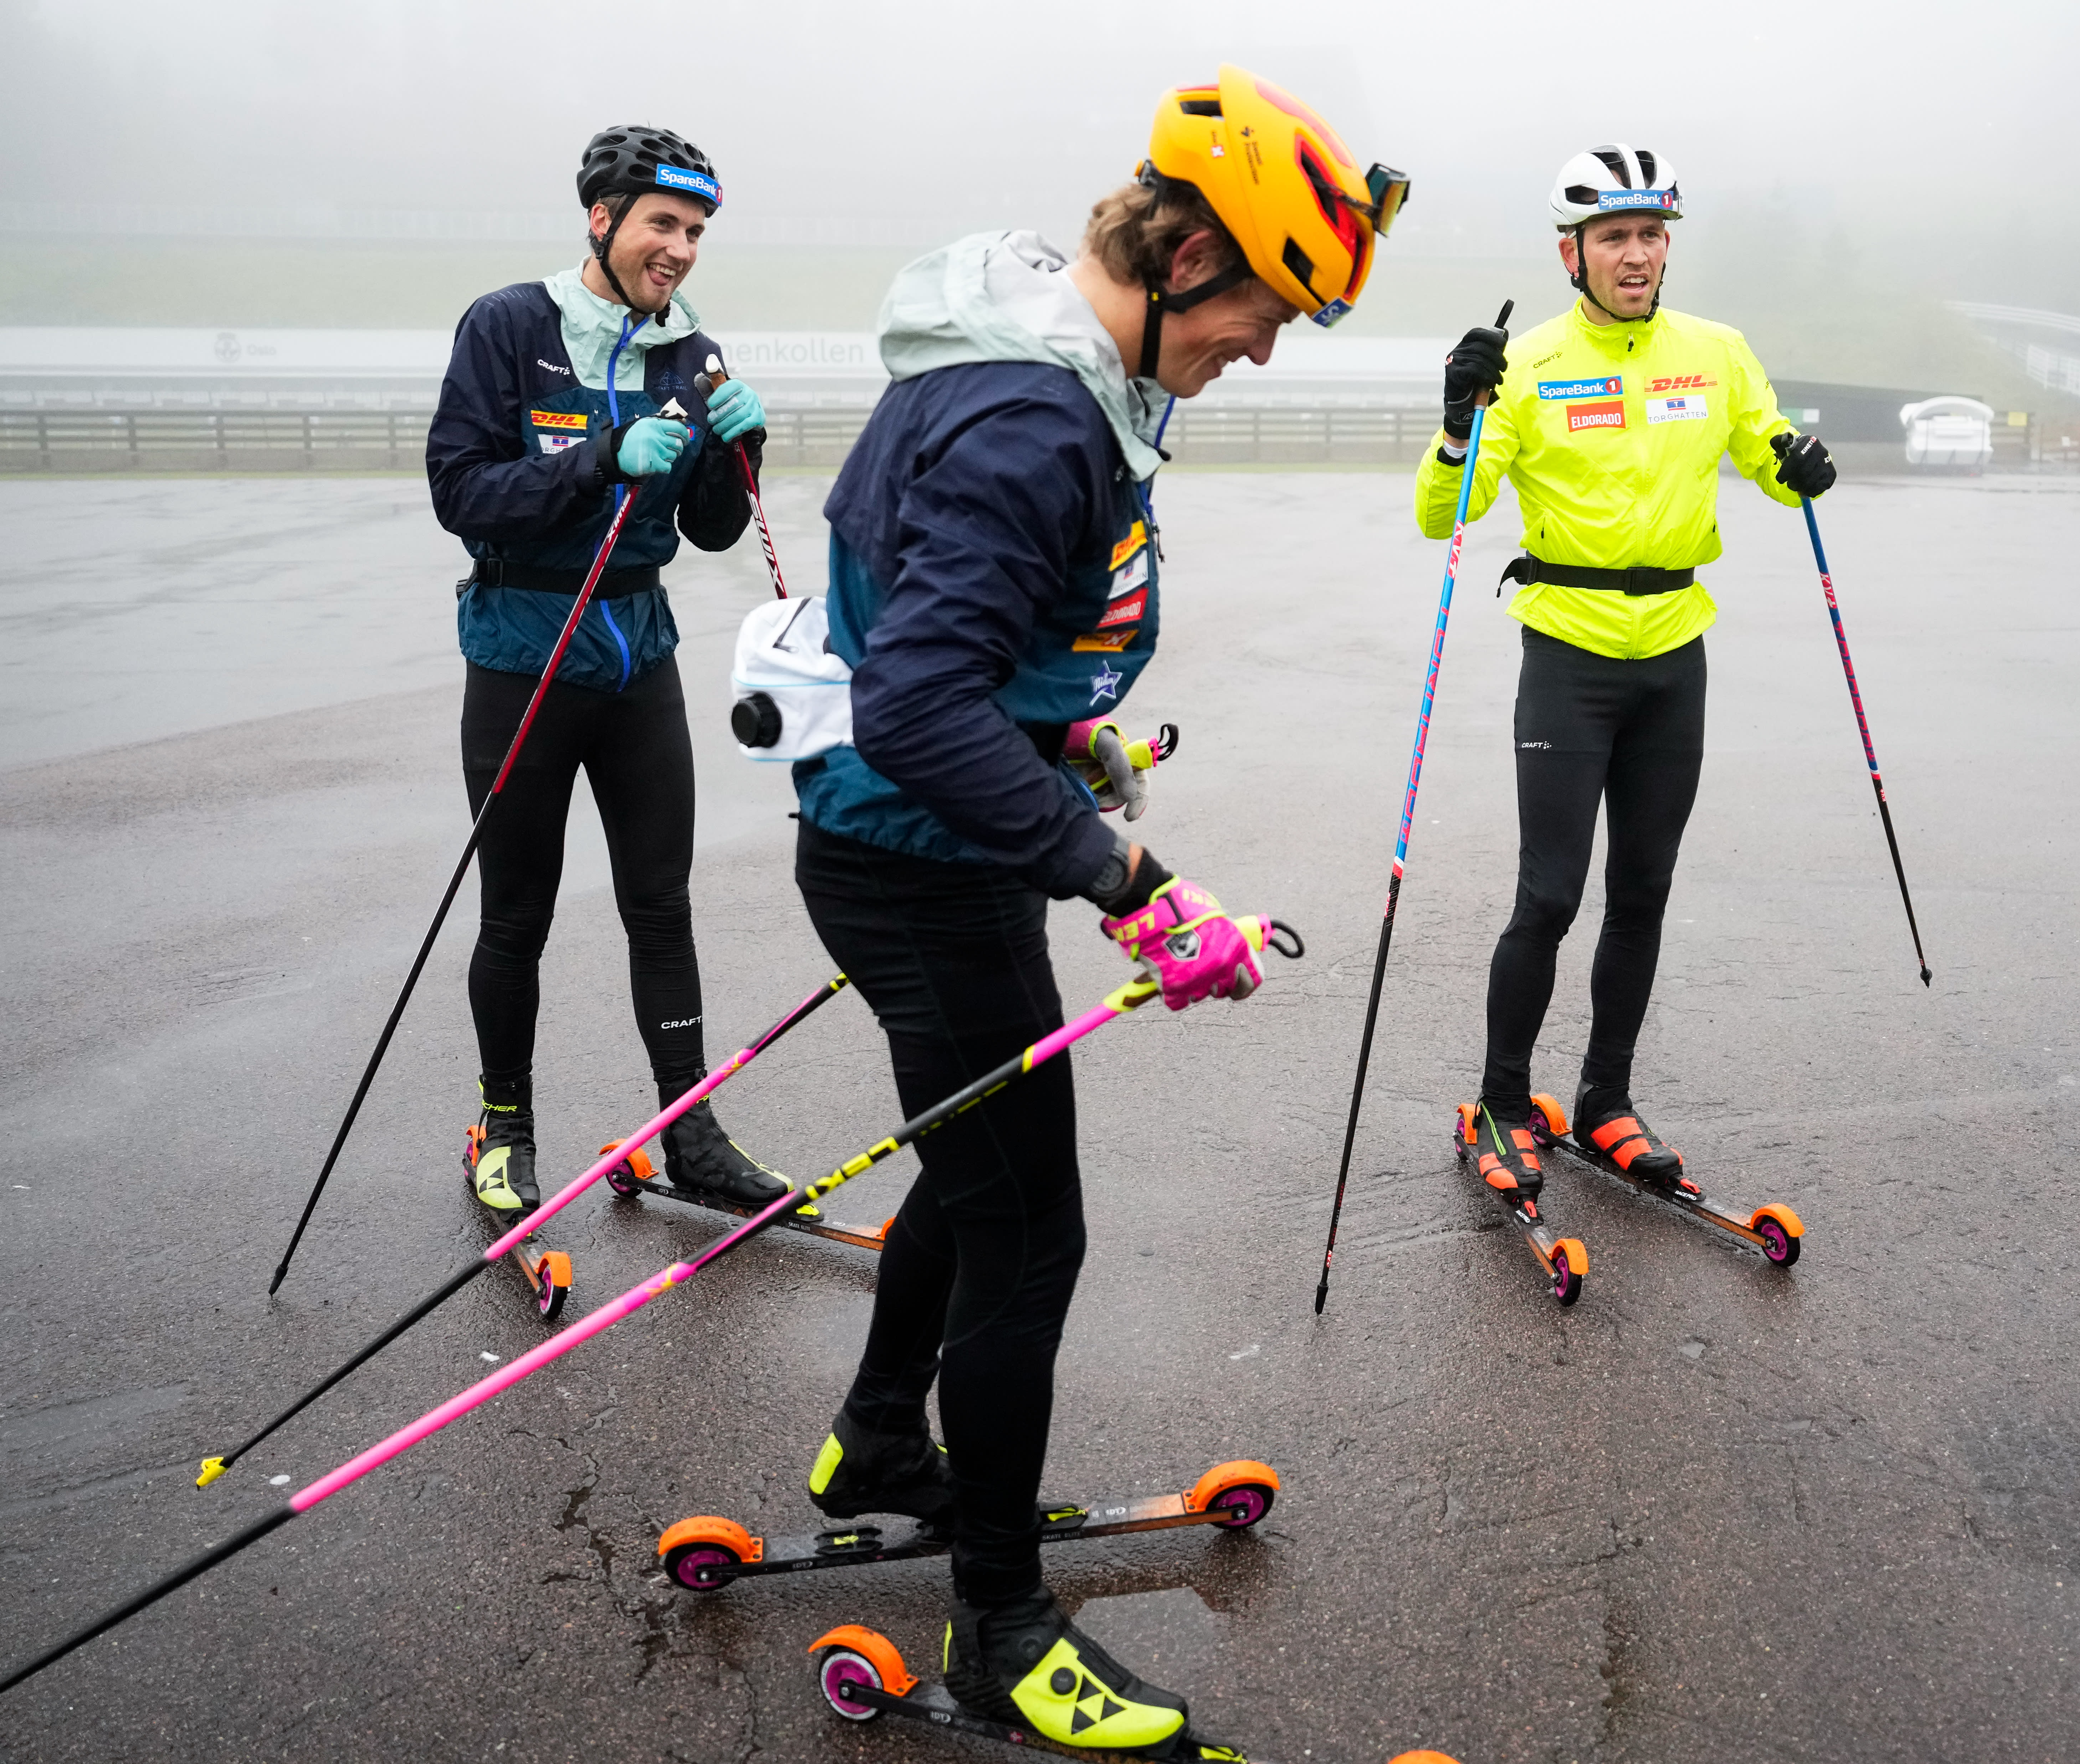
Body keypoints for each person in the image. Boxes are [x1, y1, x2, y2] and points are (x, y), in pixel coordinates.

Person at [788, 67, 1400, 1753]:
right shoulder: (1037, 423)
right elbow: (915, 702)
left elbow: (950, 646)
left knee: (972, 1174)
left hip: (930, 853)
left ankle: (877, 1441)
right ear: (1188, 259)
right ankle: (998, 1625)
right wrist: (1126, 878)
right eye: (1267, 312)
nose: (1264, 353)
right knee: (1028, 1235)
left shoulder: (1051, 379)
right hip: (920, 870)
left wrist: (1060, 738)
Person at [1419, 144, 1837, 1208]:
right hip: (1569, 654)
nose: (1638, 253)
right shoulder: (1528, 364)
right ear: (1573, 253)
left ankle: (1606, 1097)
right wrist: (1460, 423)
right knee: (1551, 896)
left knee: (1643, 892)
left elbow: (1771, 457)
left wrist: (1800, 464)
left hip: (1674, 655)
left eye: (1653, 234)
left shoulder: (1716, 351)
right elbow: (1444, 513)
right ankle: (1502, 1104)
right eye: (1615, 236)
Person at [424, 125, 792, 1222]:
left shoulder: (693, 351)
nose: (679, 249)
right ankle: (504, 1128)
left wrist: (741, 449)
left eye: (695, 231)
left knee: (662, 906)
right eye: (661, 225)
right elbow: (460, 492)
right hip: (524, 652)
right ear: (602, 219)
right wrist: (599, 458)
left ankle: (692, 1134)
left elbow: (715, 527)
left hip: (641, 656)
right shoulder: (508, 326)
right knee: (515, 917)